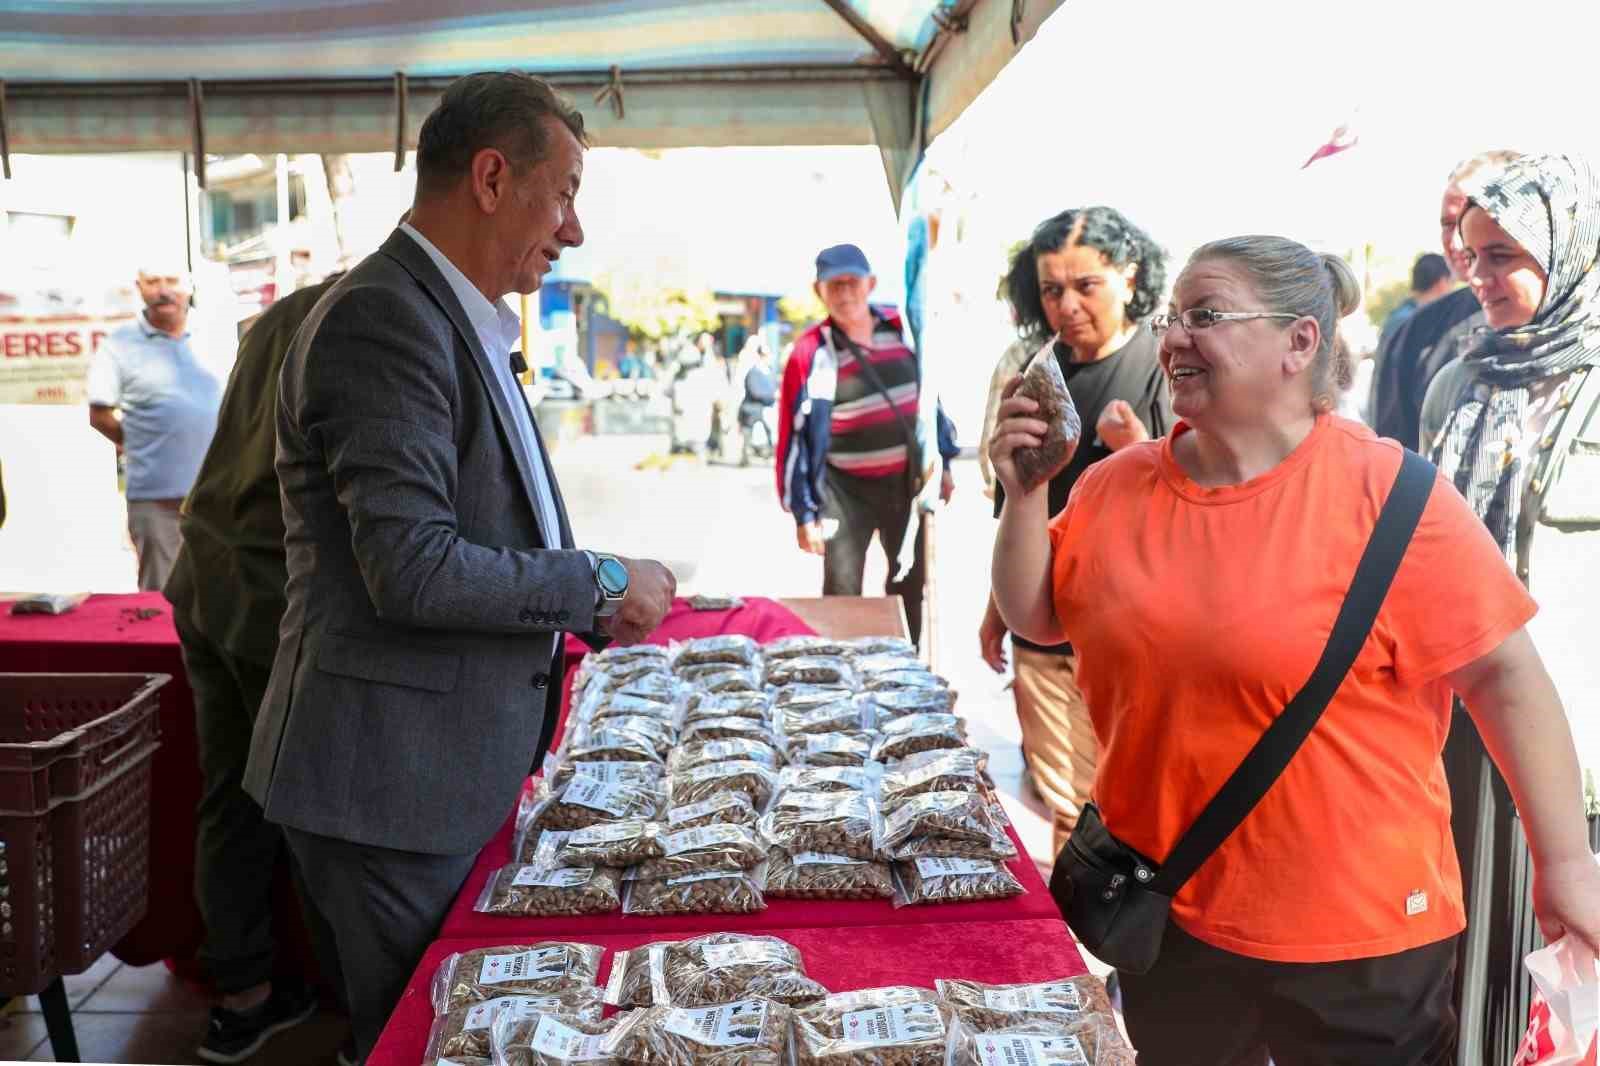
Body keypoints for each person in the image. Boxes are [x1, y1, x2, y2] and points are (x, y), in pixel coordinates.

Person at [989, 233, 1599, 1063]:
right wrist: (1024, 492)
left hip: (1365, 943)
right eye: (1172, 317)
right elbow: (1036, 616)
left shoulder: (1392, 494)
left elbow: (1505, 677)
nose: (1171, 339)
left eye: (1205, 316)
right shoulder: (1114, 487)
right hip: (1173, 922)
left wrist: (1565, 862)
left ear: (1299, 342)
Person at [241, 72, 676, 1062]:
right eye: (562, 192)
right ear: (490, 177)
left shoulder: (450, 313)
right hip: (388, 779)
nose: (571, 229)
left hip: (432, 765)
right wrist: (600, 586)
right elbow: (416, 568)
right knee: (426, 1036)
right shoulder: (384, 319)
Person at [1421, 152, 1600, 1066]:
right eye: (1473, 253)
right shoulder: (1459, 383)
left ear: (1571, 251)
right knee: (1475, 960)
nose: (1481, 277)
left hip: (1576, 734)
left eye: (1506, 256)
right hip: (1462, 723)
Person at [163, 272, 355, 1064]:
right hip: (269, 592)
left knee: (231, 796)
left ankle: (242, 996)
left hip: (207, 573)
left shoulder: (282, 312)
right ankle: (363, 1011)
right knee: (318, 809)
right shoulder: (368, 315)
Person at [976, 207, 1171, 857]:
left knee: (1118, 803)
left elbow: (1208, 509)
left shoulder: (1165, 367)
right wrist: (996, 608)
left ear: (1129, 277)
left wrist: (1139, 448)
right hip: (1044, 624)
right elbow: (1017, 497)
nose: (1067, 306)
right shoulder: (1037, 371)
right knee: (1065, 800)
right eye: (1052, 290)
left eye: (1086, 286)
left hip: (1132, 633)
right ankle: (1070, 942)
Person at [775, 243, 955, 646]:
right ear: (818, 291)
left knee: (909, 580)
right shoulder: (810, 353)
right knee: (841, 589)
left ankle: (906, 665)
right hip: (842, 490)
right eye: (833, 285)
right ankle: (839, 674)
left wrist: (943, 463)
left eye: (852, 283)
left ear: (870, 284)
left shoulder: (903, 330)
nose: (844, 294)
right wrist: (804, 514)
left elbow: (929, 403)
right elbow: (792, 438)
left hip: (903, 483)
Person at [87, 262, 223, 590]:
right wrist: (140, 443)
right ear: (139, 288)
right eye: (153, 282)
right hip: (155, 498)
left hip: (217, 494)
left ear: (189, 286)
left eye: (172, 281)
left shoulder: (214, 336)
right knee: (160, 597)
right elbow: (99, 414)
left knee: (219, 593)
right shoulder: (118, 345)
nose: (163, 290)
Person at [1370, 151, 1519, 447]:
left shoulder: (1580, 335)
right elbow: (1389, 456)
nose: (1456, 241)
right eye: (1448, 224)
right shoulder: (1414, 333)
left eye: (1470, 218)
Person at [738, 337, 778, 463]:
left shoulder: (769, 371)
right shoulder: (753, 372)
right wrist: (772, 396)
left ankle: (772, 454)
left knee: (771, 432)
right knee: (747, 434)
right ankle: (745, 457)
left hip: (767, 407)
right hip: (752, 408)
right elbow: (755, 392)